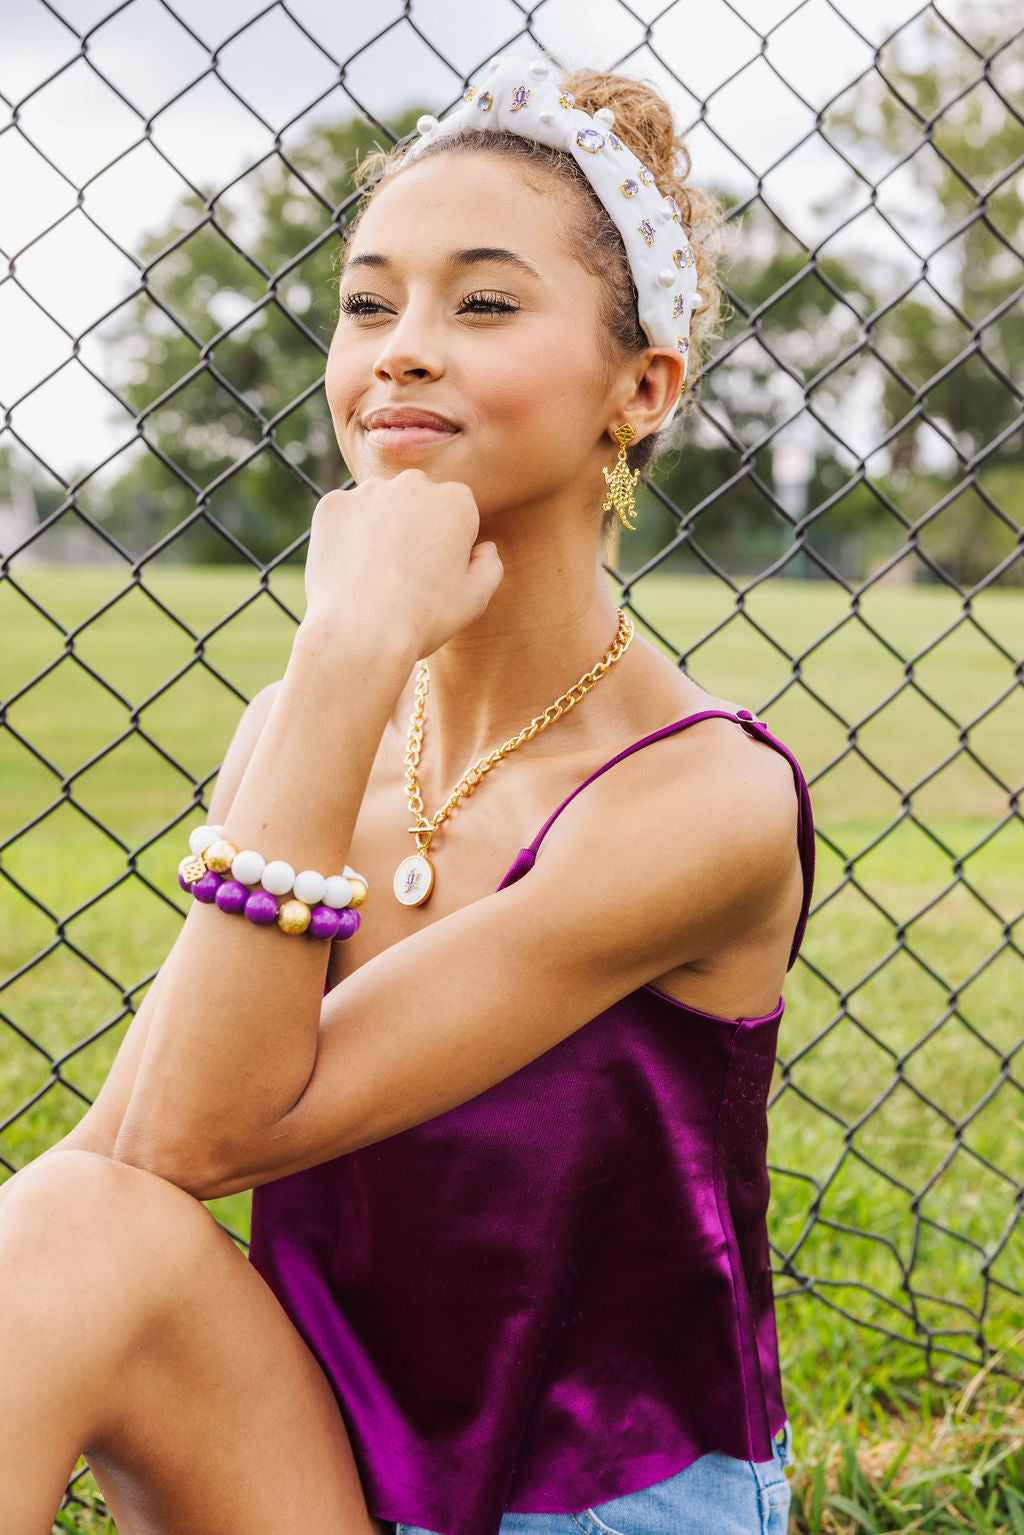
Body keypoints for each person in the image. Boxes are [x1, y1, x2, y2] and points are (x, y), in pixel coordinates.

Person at [0, 49, 813, 1535]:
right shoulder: (311, 734)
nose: (403, 350)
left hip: (598, 1503)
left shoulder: (706, 801)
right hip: (319, 1467)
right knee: (60, 1231)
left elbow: (204, 1139)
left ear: (641, 389)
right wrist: (337, 686)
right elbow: (119, 1168)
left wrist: (351, 641)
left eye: (482, 303)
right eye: (369, 303)